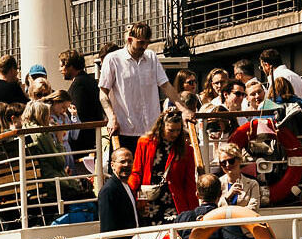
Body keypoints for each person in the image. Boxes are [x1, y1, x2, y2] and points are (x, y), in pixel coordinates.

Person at [98, 22, 189, 153]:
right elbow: (103, 93)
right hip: (125, 130)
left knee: (154, 171)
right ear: (129, 40)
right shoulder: (112, 59)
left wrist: (183, 109)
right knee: (126, 171)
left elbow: (166, 85)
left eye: (147, 43)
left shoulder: (151, 56)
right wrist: (112, 118)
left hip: (152, 131)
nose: (144, 46)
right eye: (141, 43)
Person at [128, 109, 198, 218]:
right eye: (171, 130)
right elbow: (137, 172)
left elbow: (189, 183)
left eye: (178, 130)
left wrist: (194, 210)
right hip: (148, 201)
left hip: (174, 203)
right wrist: (131, 195)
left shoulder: (187, 150)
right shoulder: (144, 143)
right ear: (162, 126)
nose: (175, 134)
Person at [22, 100, 90, 199]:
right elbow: (60, 163)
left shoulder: (25, 131)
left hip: (37, 180)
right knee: (85, 190)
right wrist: (59, 140)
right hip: (52, 180)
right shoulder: (41, 134)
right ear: (41, 116)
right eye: (47, 115)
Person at [97, 148, 140, 239]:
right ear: (112, 165)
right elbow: (108, 226)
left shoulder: (126, 186)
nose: (127, 165)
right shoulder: (109, 190)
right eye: (122, 161)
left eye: (130, 161)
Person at [60, 48, 104, 150]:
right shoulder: (90, 80)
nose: (60, 69)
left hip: (81, 140)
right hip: (91, 137)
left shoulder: (79, 84)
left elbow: (77, 112)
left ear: (70, 66)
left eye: (62, 65)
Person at [216, 141, 264, 211]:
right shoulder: (217, 184)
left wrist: (233, 214)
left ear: (239, 160)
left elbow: (253, 208)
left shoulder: (252, 184)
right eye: (223, 163)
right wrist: (228, 196)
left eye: (231, 161)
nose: (227, 165)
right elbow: (214, 209)